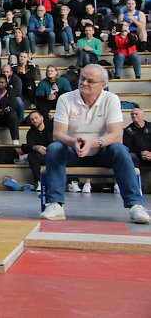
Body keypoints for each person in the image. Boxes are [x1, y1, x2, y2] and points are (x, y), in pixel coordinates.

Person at [41, 64, 149, 223]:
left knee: (120, 149)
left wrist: (92, 143)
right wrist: (74, 142)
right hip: (74, 150)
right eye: (82, 78)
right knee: (54, 148)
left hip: (102, 150)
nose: (84, 83)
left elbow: (116, 135)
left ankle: (135, 206)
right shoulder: (65, 99)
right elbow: (58, 134)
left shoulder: (111, 99)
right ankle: (55, 204)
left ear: (103, 85)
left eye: (90, 81)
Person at [23, 110, 53, 189]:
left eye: (36, 118)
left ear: (42, 118)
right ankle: (39, 182)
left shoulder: (51, 128)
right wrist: (36, 147)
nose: (34, 121)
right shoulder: (30, 133)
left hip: (54, 154)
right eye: (32, 119)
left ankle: (73, 183)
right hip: (42, 156)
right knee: (32, 156)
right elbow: (29, 145)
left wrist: (49, 148)